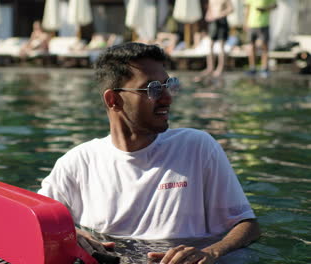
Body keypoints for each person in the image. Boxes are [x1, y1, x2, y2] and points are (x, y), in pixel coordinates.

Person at [38, 42, 260, 263]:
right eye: (153, 89)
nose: (167, 98)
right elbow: (36, 221)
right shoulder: (78, 163)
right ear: (113, 100)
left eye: (168, 85)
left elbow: (247, 225)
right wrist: (72, 235)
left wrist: (211, 252)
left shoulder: (197, 147)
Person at [195, 0, 234, 82]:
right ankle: (210, 67)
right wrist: (208, 15)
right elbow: (210, 9)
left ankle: (220, 68)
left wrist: (220, 14)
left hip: (222, 22)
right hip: (213, 22)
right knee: (210, 45)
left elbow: (231, 9)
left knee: (221, 46)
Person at [244, 0, 277, 77]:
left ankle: (264, 68)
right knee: (251, 46)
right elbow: (247, 9)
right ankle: (252, 68)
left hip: (264, 24)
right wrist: (245, 23)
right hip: (252, 24)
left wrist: (265, 9)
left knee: (264, 46)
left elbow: (275, 5)